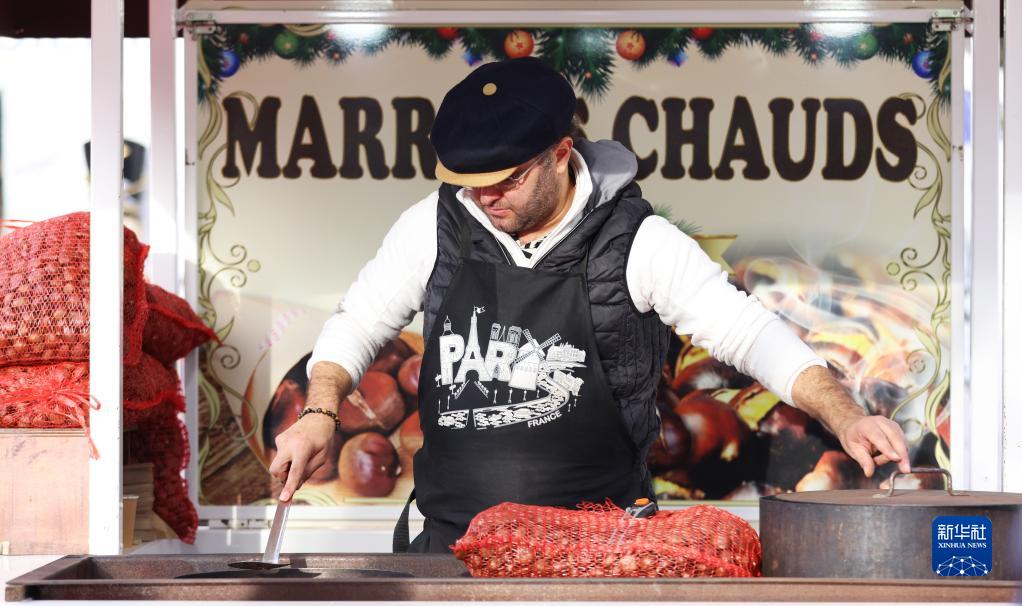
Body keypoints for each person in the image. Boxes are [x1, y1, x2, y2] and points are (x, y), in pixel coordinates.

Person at [269, 57, 911, 553]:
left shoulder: (640, 243)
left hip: (601, 555)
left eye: (507, 180)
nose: (486, 199)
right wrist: (320, 411)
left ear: (560, 154)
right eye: (469, 184)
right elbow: (360, 321)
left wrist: (845, 416)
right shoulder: (430, 228)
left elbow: (749, 333)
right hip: (451, 550)